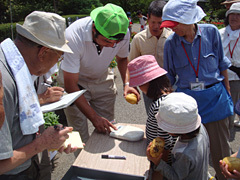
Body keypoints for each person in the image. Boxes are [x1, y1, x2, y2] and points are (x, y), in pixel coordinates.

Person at [161, 0, 233, 179]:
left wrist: (228, 92)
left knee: (221, 153)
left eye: (174, 24)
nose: (172, 29)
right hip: (188, 104)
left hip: (215, 99)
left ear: (188, 19)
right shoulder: (171, 43)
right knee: (191, 151)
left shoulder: (211, 32)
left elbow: (222, 64)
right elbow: (169, 76)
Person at [0, 11, 77, 179]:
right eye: (58, 57)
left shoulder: (16, 65)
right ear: (43, 53)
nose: (57, 63)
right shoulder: (4, 82)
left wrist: (52, 140)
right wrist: (43, 143)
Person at [59, 3, 139, 150]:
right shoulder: (74, 35)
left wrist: (128, 83)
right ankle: (83, 167)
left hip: (102, 76)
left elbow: (122, 59)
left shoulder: (122, 33)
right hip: (76, 81)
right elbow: (71, 85)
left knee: (108, 126)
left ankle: (105, 164)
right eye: (107, 41)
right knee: (78, 130)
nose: (111, 46)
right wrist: (94, 118)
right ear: (94, 28)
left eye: (116, 42)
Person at [128, 55, 177, 179]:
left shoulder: (159, 106)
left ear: (147, 83)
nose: (140, 89)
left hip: (163, 164)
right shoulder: (169, 96)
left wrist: (157, 173)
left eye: (140, 85)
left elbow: (164, 144)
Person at [146, 92, 209, 179]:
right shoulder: (200, 128)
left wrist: (158, 162)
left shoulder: (185, 154)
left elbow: (175, 177)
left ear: (176, 129)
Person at [128, 0, 172, 113]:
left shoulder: (172, 38)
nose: (156, 27)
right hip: (148, 88)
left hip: (170, 86)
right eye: (153, 22)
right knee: (152, 115)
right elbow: (131, 65)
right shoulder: (139, 39)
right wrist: (131, 86)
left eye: (160, 23)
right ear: (147, 17)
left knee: (171, 118)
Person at [219, 3, 240, 134]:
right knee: (223, 107)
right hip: (221, 76)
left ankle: (229, 133)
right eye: (232, 14)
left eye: (238, 15)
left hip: (237, 77)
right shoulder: (219, 33)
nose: (234, 17)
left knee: (233, 107)